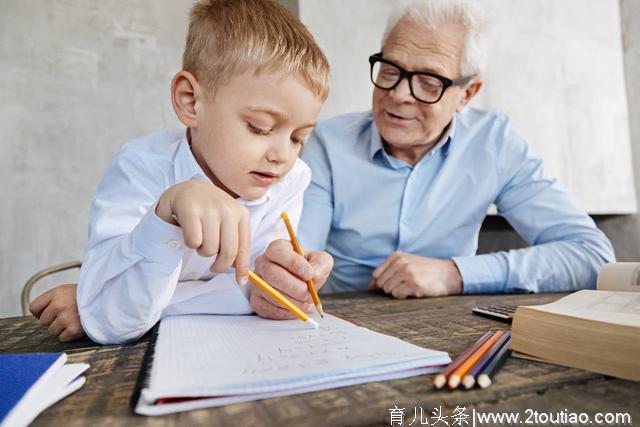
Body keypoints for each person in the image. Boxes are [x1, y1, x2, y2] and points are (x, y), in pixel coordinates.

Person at [29, 0, 333, 344]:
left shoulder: (290, 180)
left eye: (298, 138)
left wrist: (277, 288)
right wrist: (167, 214)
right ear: (191, 101)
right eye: (259, 127)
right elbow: (115, 323)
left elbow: (252, 292)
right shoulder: (139, 167)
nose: (282, 156)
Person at [294, 0, 615, 298]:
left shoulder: (494, 143)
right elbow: (301, 252)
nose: (400, 95)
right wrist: (297, 274)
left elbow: (592, 255)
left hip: (451, 326)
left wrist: (456, 274)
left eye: (429, 82)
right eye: (390, 70)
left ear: (467, 94)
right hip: (344, 319)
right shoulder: (327, 143)